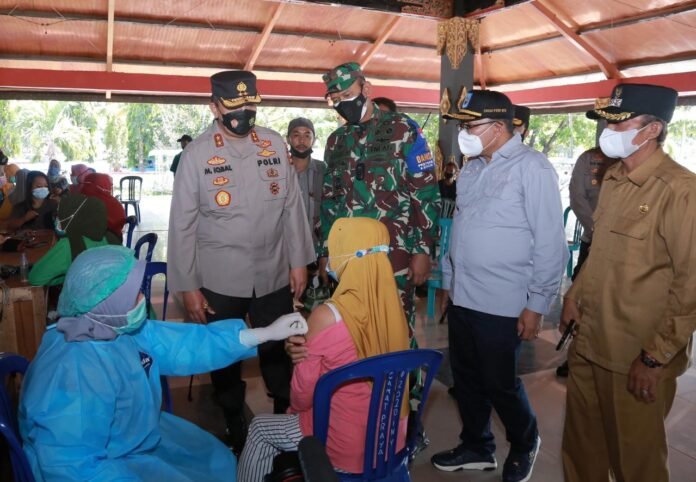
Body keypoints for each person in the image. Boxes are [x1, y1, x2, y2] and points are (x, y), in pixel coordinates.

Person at [19, 245, 308, 481]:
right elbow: (71, 467)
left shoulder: (114, 328)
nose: (142, 298)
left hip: (133, 434)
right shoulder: (71, 372)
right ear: (106, 303)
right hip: (107, 462)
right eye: (133, 293)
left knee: (218, 460)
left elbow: (184, 345)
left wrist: (261, 333)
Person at [168, 70, 315, 453]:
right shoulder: (197, 154)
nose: (243, 113)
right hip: (220, 278)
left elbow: (292, 206)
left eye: (250, 104)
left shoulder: (272, 143)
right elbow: (182, 224)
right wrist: (188, 286)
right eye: (234, 106)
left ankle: (285, 417)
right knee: (225, 355)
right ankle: (234, 423)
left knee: (278, 348)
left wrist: (299, 261)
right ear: (214, 107)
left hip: (273, 272)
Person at [560, 84, 696, 482]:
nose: (608, 131)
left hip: (634, 353)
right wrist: (573, 295)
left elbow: (691, 285)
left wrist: (655, 357)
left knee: (635, 462)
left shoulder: (680, 191)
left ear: (652, 130)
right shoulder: (615, 178)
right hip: (589, 342)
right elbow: (600, 251)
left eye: (619, 123)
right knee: (581, 451)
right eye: (607, 122)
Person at [431, 90, 567, 482]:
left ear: (498, 127)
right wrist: (450, 281)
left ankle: (525, 441)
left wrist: (537, 304)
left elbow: (550, 242)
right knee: (466, 378)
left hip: (503, 300)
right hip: (464, 296)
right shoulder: (473, 167)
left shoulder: (532, 168)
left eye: (471, 126)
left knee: (499, 383)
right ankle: (477, 446)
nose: (465, 134)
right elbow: (462, 228)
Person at [319, 61, 440, 454]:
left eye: (348, 92)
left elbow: (426, 193)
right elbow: (329, 200)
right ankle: (363, 413)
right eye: (335, 97)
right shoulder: (336, 141)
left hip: (395, 255)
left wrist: (423, 250)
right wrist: (325, 251)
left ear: (364, 86)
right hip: (348, 263)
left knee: (397, 335)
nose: (343, 101)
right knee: (353, 336)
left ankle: (410, 419)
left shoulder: (404, 129)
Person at [239, 217, 409, 481]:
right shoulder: (393, 307)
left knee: (260, 428)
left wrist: (297, 370)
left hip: (344, 443)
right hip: (389, 440)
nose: (328, 261)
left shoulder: (327, 316)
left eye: (333, 251)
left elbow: (302, 396)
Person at [28, 193, 111, 286]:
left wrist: (66, 278)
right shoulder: (110, 238)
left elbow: (35, 278)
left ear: (73, 216)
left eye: (60, 214)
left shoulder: (67, 245)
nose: (57, 219)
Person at [286, 117, 325, 246]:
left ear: (314, 140)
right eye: (296, 135)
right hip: (285, 246)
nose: (302, 140)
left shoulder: (325, 171)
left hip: (316, 246)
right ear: (288, 139)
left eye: (307, 136)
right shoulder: (278, 172)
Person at [81, 172, 127, 244]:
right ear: (105, 185)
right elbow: (120, 223)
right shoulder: (114, 204)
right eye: (110, 185)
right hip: (112, 243)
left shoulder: (79, 201)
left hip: (85, 244)